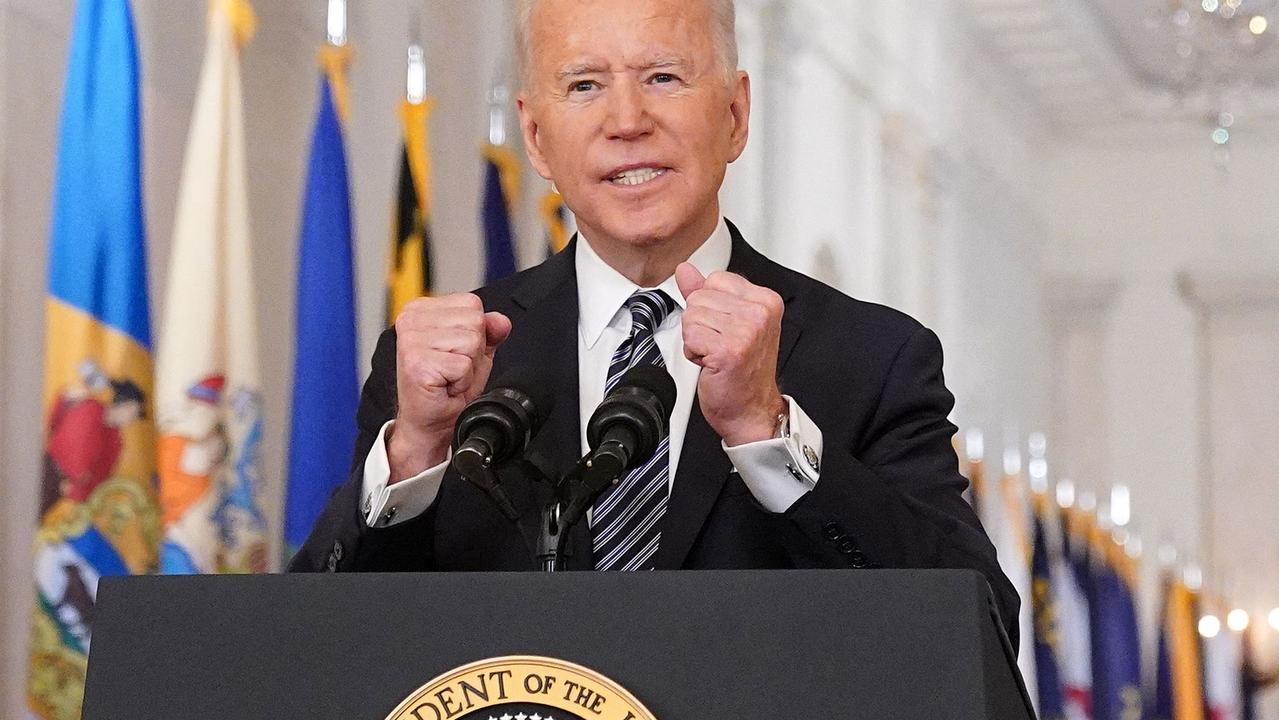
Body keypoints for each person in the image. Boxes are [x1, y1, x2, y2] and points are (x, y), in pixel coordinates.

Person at [290, 0, 1019, 647]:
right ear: (536, 138)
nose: (627, 121)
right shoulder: (447, 362)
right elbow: (315, 643)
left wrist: (769, 432)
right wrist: (415, 450)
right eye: (584, 85)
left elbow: (975, 623)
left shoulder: (870, 355)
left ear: (734, 115)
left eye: (663, 77)